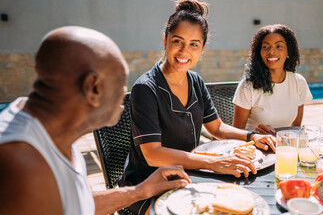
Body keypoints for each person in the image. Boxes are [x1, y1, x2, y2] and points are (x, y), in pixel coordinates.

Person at [0, 26, 191, 215]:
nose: (124, 95)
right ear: (93, 87)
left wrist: (140, 191)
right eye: (121, 83)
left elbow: (77, 204)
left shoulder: (49, 130)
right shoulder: (23, 168)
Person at [121, 0, 276, 214]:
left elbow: (217, 128)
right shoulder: (146, 88)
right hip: (147, 186)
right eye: (177, 41)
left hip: (189, 176)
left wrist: (252, 137)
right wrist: (212, 163)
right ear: (165, 40)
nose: (185, 52)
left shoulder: (195, 81)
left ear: (202, 48)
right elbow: (153, 154)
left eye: (194, 45)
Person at [232, 24, 313, 134]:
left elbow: (296, 129)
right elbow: (236, 132)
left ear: (288, 51)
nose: (271, 51)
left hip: (285, 146)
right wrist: (254, 132)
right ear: (259, 53)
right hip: (256, 147)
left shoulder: (298, 82)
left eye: (278, 46)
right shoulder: (248, 86)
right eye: (265, 47)